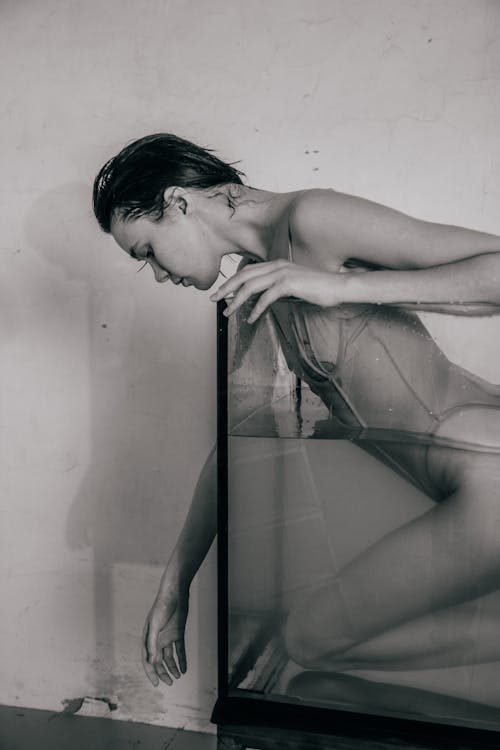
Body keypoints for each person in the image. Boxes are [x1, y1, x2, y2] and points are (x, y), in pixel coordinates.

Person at [93, 134, 500, 701]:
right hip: (462, 493)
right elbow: (236, 439)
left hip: (491, 479)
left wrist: (343, 286)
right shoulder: (262, 277)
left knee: (314, 640)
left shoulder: (313, 218)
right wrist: (175, 582)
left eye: (147, 253)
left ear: (179, 203)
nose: (159, 276)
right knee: (312, 640)